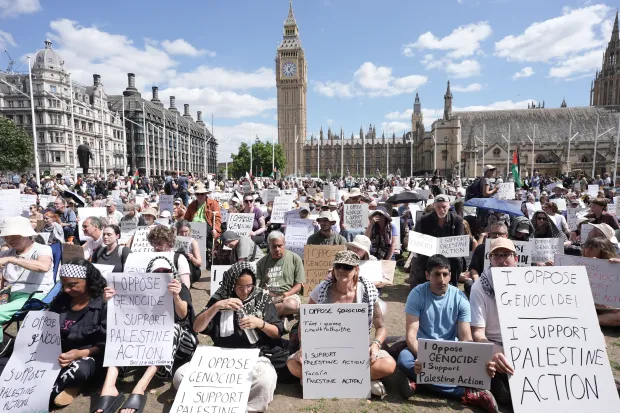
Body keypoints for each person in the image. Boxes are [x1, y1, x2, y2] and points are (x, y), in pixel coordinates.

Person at [287, 251, 396, 398]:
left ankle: (325, 381)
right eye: (338, 266)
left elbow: (381, 326)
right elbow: (305, 322)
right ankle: (357, 381)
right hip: (324, 352)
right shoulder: (322, 290)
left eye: (347, 267)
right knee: (292, 365)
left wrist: (375, 345)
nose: (341, 270)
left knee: (389, 364)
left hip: (357, 353)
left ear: (356, 269)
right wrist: (303, 347)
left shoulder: (367, 291)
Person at [398, 254, 498, 411]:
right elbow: (411, 335)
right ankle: (464, 393)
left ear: (450, 275)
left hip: (450, 354)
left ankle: (420, 382)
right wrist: (424, 358)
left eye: (445, 274)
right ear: (427, 275)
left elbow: (466, 337)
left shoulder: (460, 298)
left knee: (482, 372)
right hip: (421, 349)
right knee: (404, 359)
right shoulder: (416, 294)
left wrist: (478, 361)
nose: (441, 279)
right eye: (436, 274)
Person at [94, 256, 196, 413]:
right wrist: (110, 301)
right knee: (121, 327)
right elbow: (123, 315)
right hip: (150, 343)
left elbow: (183, 316)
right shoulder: (140, 289)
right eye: (157, 272)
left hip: (181, 343)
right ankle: (109, 386)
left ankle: (140, 387)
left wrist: (175, 296)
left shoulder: (180, 287)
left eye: (166, 271)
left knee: (172, 328)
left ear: (172, 272)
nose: (161, 274)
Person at [181, 262, 282, 412]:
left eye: (249, 286)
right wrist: (216, 307)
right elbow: (197, 327)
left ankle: (244, 408)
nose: (245, 291)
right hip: (222, 357)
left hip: (253, 356)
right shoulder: (220, 298)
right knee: (181, 375)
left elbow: (277, 332)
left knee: (265, 380)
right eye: (240, 287)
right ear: (231, 283)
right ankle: (213, 402)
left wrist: (260, 323)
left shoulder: (262, 298)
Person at [46, 260, 108, 408]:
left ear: (88, 281)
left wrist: (80, 354)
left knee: (80, 370)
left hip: (89, 356)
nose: (66, 289)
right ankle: (69, 385)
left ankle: (65, 387)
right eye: (63, 285)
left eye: (72, 285)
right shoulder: (62, 300)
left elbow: (105, 343)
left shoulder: (103, 303)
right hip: (60, 353)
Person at [470, 238, 518, 407]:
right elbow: (478, 333)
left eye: (506, 255)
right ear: (490, 259)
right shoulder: (479, 288)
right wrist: (494, 350)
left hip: (522, 346)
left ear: (515, 259)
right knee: (506, 396)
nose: (502, 260)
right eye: (496, 256)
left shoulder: (528, 283)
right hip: (494, 345)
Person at [0, 217, 54, 343]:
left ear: (26, 234)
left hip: (34, 296)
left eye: (15, 235)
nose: (10, 239)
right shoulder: (5, 253)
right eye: (7, 236)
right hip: (9, 294)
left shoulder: (42, 249)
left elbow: (43, 266)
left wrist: (13, 260)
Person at [411, 194, 464, 288]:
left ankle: (453, 285)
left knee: (457, 259)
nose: (441, 210)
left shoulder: (457, 220)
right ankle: (423, 285)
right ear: (434, 206)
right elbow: (418, 239)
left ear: (449, 206)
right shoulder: (423, 220)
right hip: (428, 251)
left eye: (444, 207)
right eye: (438, 207)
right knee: (421, 259)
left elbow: (459, 240)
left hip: (450, 252)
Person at [255, 231, 304, 318]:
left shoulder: (295, 259)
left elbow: (298, 285)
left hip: (288, 296)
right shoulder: (261, 263)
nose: (277, 249)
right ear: (269, 246)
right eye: (274, 246)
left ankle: (265, 313)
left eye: (280, 246)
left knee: (292, 305)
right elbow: (257, 286)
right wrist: (267, 294)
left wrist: (286, 294)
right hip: (267, 296)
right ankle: (273, 314)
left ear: (284, 244)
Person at [466, 223, 508, 297]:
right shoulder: (480, 249)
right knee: (469, 284)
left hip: (507, 283)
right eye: (494, 233)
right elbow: (473, 269)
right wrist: (477, 282)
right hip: (484, 283)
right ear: (489, 235)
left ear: (506, 236)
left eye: (500, 234)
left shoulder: (514, 249)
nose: (497, 236)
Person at [185, 183, 222, 250]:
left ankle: (201, 250)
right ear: (195, 195)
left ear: (206, 194)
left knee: (204, 231)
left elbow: (217, 219)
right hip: (193, 227)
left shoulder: (213, 204)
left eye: (202, 194)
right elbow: (186, 219)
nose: (200, 196)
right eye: (197, 194)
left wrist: (216, 230)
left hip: (207, 227)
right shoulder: (191, 205)